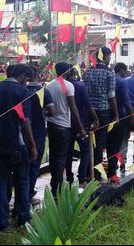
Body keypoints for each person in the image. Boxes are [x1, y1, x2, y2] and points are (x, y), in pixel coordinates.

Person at [0, 64, 38, 231]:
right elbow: (25, 121)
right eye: (27, 80)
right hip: (18, 144)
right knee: (22, 181)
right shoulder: (22, 92)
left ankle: (2, 221)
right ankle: (23, 217)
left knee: (1, 182)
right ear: (21, 77)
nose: (27, 84)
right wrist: (33, 146)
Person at [46, 62, 87, 196]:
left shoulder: (49, 85)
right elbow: (73, 108)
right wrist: (81, 128)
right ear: (68, 71)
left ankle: (54, 183)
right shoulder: (68, 86)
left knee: (53, 155)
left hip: (51, 125)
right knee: (61, 157)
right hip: (63, 126)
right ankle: (56, 188)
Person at [84, 47, 119, 182]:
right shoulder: (109, 73)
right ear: (104, 57)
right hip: (103, 112)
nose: (110, 59)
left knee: (89, 142)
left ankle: (87, 172)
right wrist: (115, 115)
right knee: (99, 143)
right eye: (109, 56)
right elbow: (111, 95)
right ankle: (96, 175)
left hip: (89, 111)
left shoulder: (87, 72)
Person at [65, 65, 99, 188]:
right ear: (73, 72)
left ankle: (68, 178)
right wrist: (95, 118)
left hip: (66, 125)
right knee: (85, 152)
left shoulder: (59, 86)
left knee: (68, 152)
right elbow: (88, 104)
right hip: (81, 124)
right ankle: (81, 178)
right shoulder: (80, 85)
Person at [26, 66, 55, 204]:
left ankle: (22, 194)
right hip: (38, 131)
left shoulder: (22, 90)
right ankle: (29, 193)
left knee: (23, 164)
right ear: (38, 75)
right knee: (35, 163)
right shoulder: (43, 91)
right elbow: (52, 111)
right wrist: (43, 113)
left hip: (22, 132)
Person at [109, 63, 134, 182]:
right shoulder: (122, 81)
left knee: (107, 144)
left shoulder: (109, 78)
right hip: (120, 114)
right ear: (122, 70)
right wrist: (132, 115)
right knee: (116, 144)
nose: (126, 73)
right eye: (125, 70)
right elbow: (125, 100)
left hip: (106, 114)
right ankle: (112, 171)